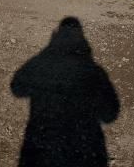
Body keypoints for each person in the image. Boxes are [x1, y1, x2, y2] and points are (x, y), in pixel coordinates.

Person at [11, 17, 120, 167]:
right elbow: (110, 114)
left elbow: (17, 87)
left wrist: (45, 54)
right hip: (85, 151)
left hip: (42, 148)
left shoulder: (45, 63)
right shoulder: (95, 71)